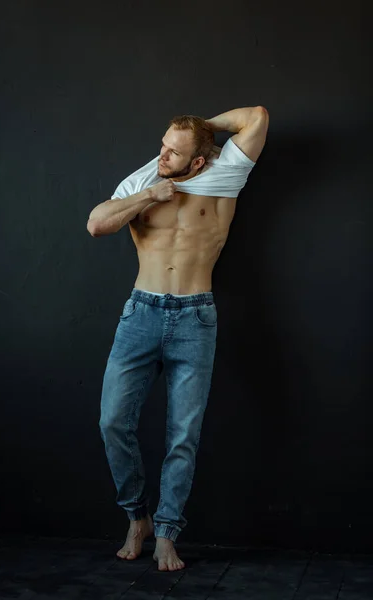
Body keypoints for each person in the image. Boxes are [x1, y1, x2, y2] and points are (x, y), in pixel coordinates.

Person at [87, 106, 269, 571]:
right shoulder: (143, 180)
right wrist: (152, 193)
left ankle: (167, 532)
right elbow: (97, 223)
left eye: (175, 152)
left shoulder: (225, 174)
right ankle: (137, 516)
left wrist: (203, 130)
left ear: (199, 162)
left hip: (195, 318)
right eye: (163, 145)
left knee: (182, 436)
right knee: (112, 422)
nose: (163, 155)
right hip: (141, 313)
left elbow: (257, 117)